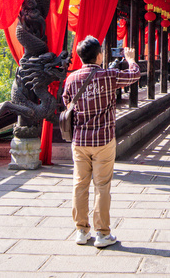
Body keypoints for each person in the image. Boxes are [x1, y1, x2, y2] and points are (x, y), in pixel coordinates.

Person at [63, 37, 140, 248]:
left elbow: (67, 104)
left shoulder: (71, 79)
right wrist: (130, 59)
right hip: (103, 139)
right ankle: (102, 233)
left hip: (80, 140)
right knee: (102, 186)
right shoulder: (108, 75)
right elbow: (134, 75)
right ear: (99, 56)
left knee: (80, 184)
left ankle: (81, 230)